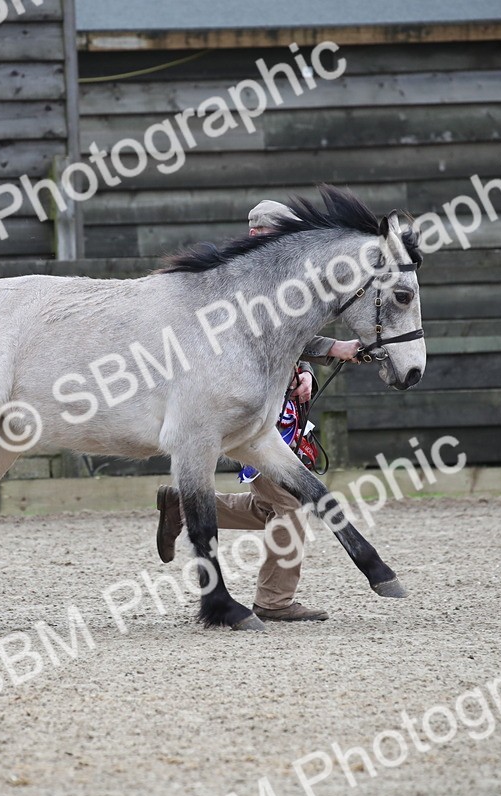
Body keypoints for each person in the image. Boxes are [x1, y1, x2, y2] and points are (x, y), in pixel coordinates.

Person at [154, 200, 363, 622]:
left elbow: (281, 341)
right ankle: (274, 602)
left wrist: (302, 372)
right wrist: (333, 349)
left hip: (270, 405)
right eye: (276, 233)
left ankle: (181, 503)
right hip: (247, 412)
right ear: (260, 234)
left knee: (271, 507)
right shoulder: (242, 279)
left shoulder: (276, 278)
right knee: (290, 505)